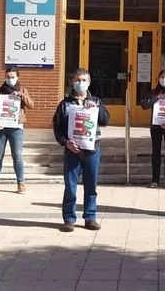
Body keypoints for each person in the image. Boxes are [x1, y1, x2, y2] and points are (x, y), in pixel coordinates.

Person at [52, 68, 110, 232]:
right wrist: (65, 142)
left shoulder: (96, 101)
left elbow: (105, 120)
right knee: (70, 186)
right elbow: (57, 127)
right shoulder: (65, 104)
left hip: (92, 150)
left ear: (89, 83)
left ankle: (90, 218)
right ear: (72, 82)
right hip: (73, 150)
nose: (80, 83)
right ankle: (69, 219)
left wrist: (96, 109)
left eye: (84, 80)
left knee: (91, 186)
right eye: (78, 80)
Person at [0, 67, 35, 194]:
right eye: (8, 77)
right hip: (1, 128)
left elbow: (31, 105)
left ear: (17, 77)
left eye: (13, 77)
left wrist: (21, 95)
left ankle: (21, 183)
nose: (10, 79)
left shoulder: (22, 90)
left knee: (17, 156)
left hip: (16, 127)